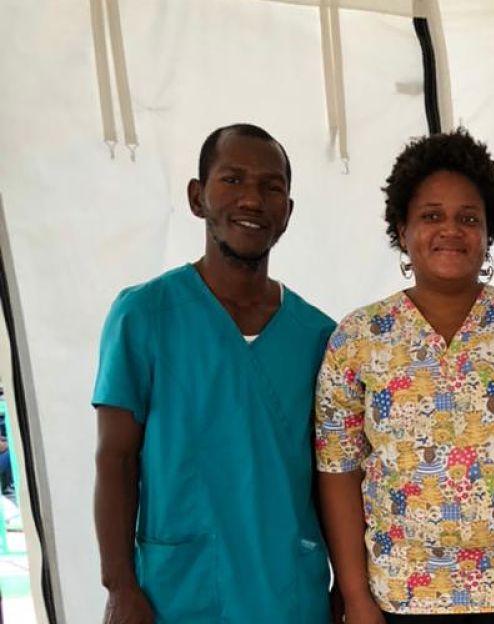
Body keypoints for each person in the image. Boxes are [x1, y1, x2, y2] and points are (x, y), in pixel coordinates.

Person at [315, 129, 494, 624]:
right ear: (401, 230)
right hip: (403, 595)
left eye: (469, 218)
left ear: (489, 233)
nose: (451, 229)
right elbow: (338, 471)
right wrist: (356, 595)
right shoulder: (357, 339)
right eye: (431, 216)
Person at [92, 123, 337, 623]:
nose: (252, 199)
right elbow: (115, 460)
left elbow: (331, 477)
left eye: (272, 187)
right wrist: (120, 585)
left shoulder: (319, 336)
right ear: (197, 197)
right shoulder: (144, 315)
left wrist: (348, 590)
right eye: (233, 180)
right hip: (180, 592)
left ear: (287, 212)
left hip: (289, 592)